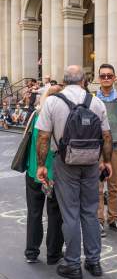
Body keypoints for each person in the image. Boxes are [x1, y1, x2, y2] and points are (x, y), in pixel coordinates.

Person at [36, 65, 113, 279]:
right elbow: (106, 136)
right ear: (83, 81)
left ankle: (72, 264)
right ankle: (94, 261)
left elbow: (43, 137)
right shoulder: (96, 102)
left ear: (64, 80)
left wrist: (42, 165)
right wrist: (106, 161)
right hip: (90, 163)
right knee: (89, 212)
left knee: (69, 213)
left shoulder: (52, 102)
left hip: (64, 162)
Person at [24, 85, 64, 265]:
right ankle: (53, 253)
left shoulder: (35, 114)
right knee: (55, 213)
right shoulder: (60, 117)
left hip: (34, 171)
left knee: (34, 212)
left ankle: (31, 251)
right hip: (53, 173)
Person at [96, 63, 117, 237]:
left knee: (114, 185)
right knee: (98, 186)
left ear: (114, 77)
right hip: (97, 150)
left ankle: (113, 219)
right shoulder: (92, 99)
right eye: (103, 76)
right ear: (99, 78)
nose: (106, 78)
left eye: (109, 75)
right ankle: (99, 221)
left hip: (116, 148)